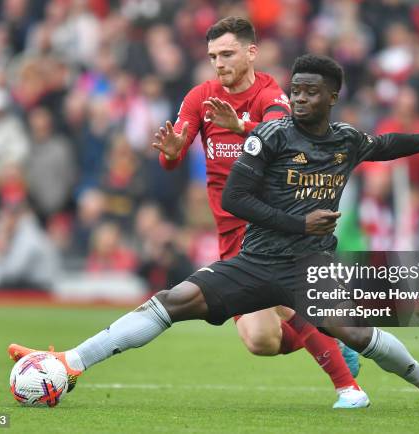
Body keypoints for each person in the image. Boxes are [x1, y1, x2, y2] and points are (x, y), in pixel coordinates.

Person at [8, 54, 419, 413]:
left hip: (309, 271)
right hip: (255, 262)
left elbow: (388, 145)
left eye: (310, 92)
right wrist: (300, 222)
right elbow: (235, 199)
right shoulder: (269, 137)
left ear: (331, 97)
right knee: (171, 302)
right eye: (294, 91)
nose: (298, 99)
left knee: (359, 334)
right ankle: (70, 362)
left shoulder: (346, 140)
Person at [151, 16, 363, 409]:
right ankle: (335, 339)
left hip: (268, 222)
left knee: (286, 299)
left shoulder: (271, 95)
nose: (219, 62)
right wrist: (171, 153)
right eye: (213, 55)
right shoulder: (200, 97)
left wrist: (242, 126)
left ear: (252, 52)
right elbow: (174, 155)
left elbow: (282, 137)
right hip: (228, 229)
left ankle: (347, 385)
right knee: (260, 341)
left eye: (227, 53)